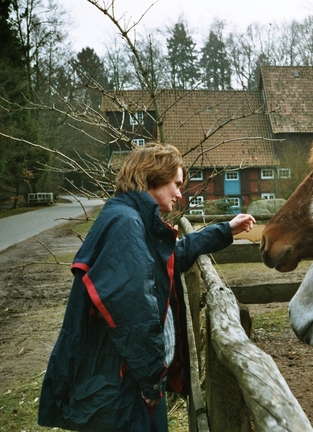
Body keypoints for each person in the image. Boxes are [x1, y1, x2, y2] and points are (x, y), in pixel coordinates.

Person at [38, 143, 256, 431]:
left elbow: (171, 256)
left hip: (125, 379)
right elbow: (134, 315)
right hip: (122, 386)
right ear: (154, 176)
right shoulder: (125, 224)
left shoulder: (129, 218)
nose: (180, 193)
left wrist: (225, 230)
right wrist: (153, 382)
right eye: (176, 184)